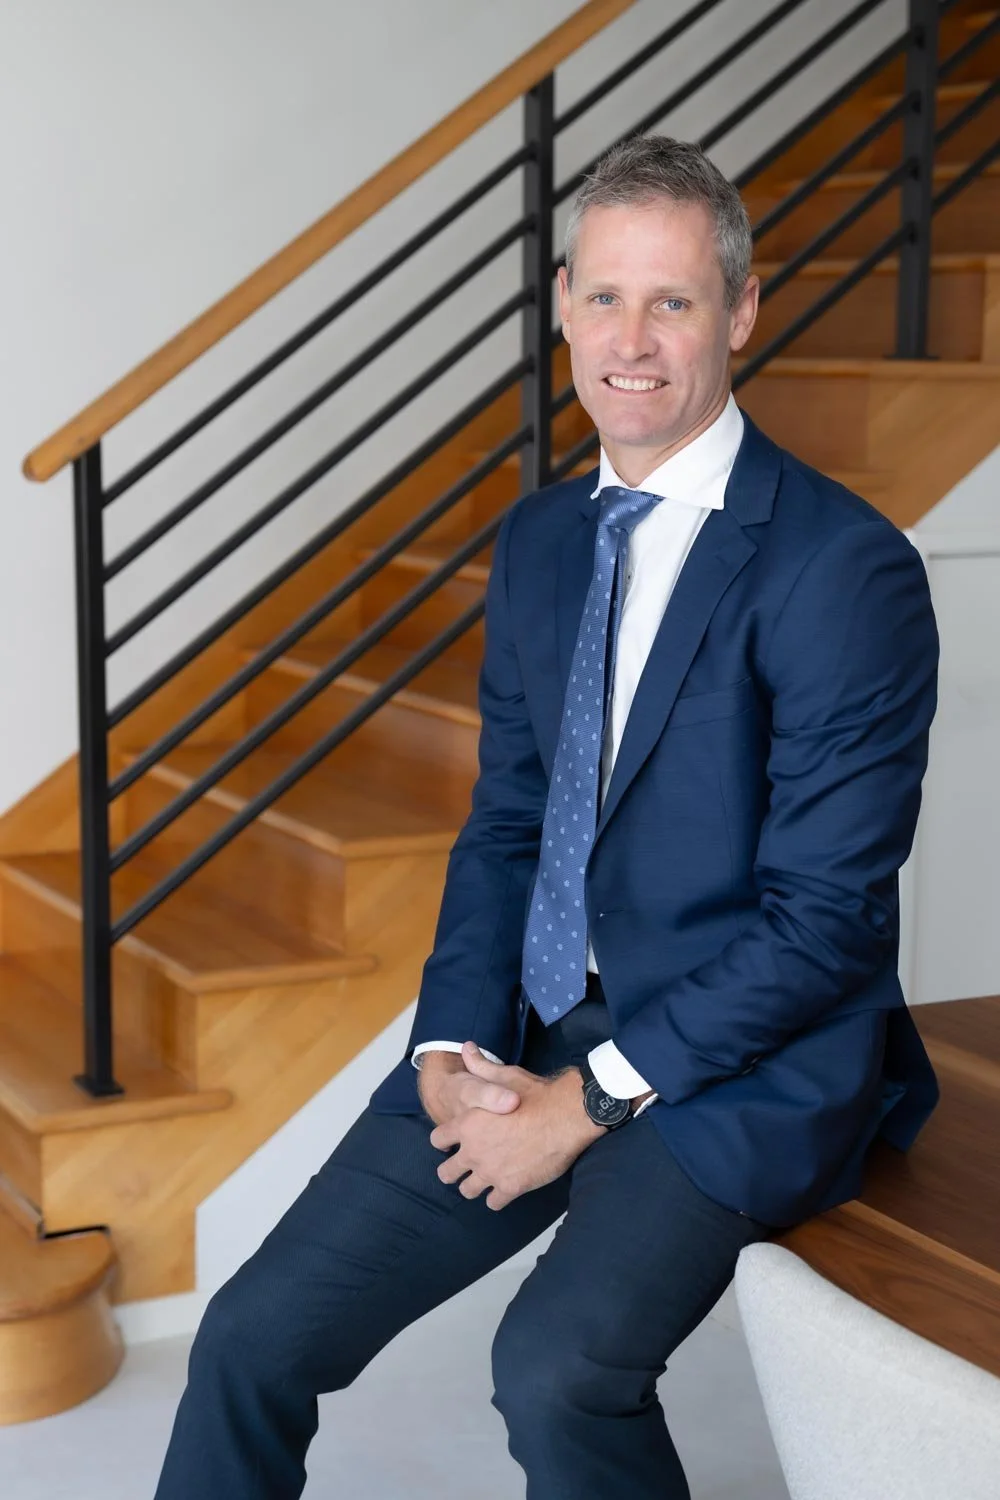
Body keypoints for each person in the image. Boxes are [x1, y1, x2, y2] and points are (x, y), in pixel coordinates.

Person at [154, 134, 940, 1499]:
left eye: (673, 301)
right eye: (605, 298)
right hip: (530, 1020)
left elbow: (827, 925)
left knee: (554, 1371)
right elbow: (512, 817)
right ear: (563, 304)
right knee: (248, 1334)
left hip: (742, 1062)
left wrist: (584, 1101)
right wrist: (450, 1039)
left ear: (740, 312)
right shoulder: (540, 540)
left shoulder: (841, 569)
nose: (631, 341)